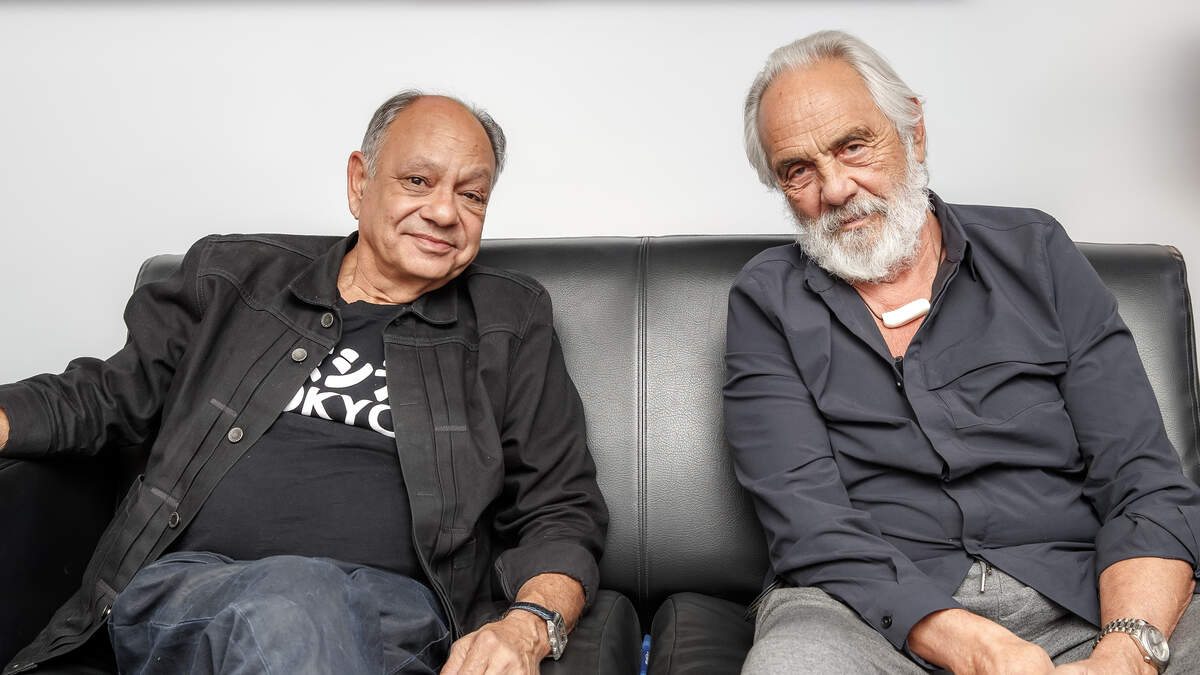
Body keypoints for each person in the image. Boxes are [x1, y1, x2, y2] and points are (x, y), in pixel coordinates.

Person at [0, 91, 608, 675]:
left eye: (471, 195)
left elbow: (561, 508)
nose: (445, 212)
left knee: (304, 605)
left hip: (393, 617)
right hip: (191, 590)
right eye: (418, 181)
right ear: (359, 182)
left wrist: (527, 626)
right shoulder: (233, 280)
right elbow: (104, 395)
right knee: (292, 600)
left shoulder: (507, 323)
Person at [725, 30, 1200, 674]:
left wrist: (1126, 650)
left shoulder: (1036, 252)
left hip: (1083, 597)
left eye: (853, 146)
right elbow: (809, 523)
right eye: (798, 171)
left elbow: (1142, 478)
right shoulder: (767, 298)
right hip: (867, 615)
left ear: (914, 132)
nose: (834, 189)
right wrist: (980, 649)